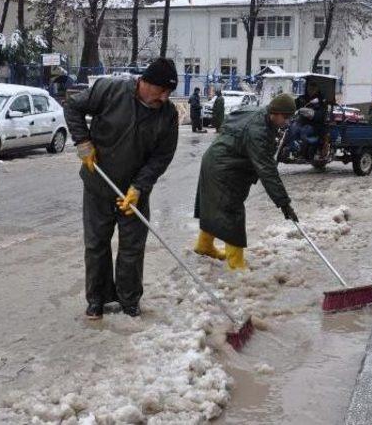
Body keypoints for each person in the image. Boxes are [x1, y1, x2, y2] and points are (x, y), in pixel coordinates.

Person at [64, 58, 179, 320]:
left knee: (132, 248)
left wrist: (139, 187)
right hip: (98, 185)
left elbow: (162, 156)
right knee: (96, 245)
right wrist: (83, 141)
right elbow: (73, 106)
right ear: (145, 82)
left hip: (134, 193)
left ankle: (129, 301)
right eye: (161, 90)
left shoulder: (168, 115)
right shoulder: (111, 90)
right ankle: (98, 299)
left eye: (168, 92)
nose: (164, 97)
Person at [193, 93, 299, 270]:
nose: (287, 122)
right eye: (286, 117)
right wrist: (284, 203)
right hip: (224, 169)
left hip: (217, 161)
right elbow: (267, 170)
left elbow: (228, 120)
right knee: (232, 212)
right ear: (276, 112)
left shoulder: (258, 113)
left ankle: (204, 246)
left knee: (215, 207)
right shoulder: (258, 131)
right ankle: (236, 265)